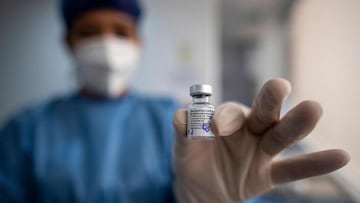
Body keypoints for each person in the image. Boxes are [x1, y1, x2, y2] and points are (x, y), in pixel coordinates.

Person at [0, 0, 350, 202]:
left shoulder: (172, 120)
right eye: (89, 32)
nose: (106, 45)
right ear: (68, 43)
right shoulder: (24, 131)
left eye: (120, 32)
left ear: (139, 43)